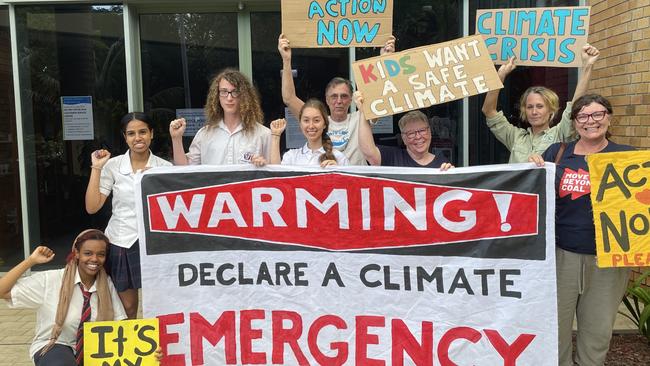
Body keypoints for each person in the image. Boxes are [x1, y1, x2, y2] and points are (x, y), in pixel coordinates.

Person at [529, 94, 634, 366]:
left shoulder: (627, 157)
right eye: (583, 116)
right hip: (561, 256)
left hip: (607, 260)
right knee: (555, 329)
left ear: (609, 117)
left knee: (597, 332)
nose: (591, 121)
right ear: (575, 123)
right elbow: (535, 195)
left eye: (598, 114)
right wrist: (532, 169)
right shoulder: (558, 153)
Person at [85, 112, 171, 319]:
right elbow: (92, 207)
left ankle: (160, 350)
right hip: (122, 241)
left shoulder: (165, 168)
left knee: (160, 306)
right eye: (131, 133)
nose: (137, 138)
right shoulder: (113, 166)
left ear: (151, 134)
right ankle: (132, 351)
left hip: (155, 243)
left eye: (142, 132)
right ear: (125, 137)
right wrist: (97, 168)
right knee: (128, 308)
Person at [0, 229, 127, 365]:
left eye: (101, 254)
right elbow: (2, 291)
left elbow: (120, 324)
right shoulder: (51, 280)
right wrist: (31, 261)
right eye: (88, 253)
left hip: (96, 350)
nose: (94, 259)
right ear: (77, 253)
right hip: (55, 345)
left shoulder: (106, 284)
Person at [278, 33, 395, 165]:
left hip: (356, 183)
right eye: (334, 96)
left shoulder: (361, 117)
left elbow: (379, 96)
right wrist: (286, 60)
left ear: (351, 99)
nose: (339, 101)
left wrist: (384, 60)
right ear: (326, 100)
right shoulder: (318, 121)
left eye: (344, 96)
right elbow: (289, 98)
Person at [481, 44, 600, 163]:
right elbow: (489, 111)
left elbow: (575, 107)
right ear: (524, 111)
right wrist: (500, 76)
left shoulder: (560, 134)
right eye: (529, 107)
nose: (534, 112)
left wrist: (588, 65)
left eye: (540, 106)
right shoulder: (515, 137)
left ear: (551, 110)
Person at [170, 68, 271, 166]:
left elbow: (275, 174)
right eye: (223, 92)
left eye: (235, 92)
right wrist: (176, 139)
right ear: (216, 96)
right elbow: (184, 171)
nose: (229, 98)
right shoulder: (205, 134)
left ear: (244, 96)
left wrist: (264, 165)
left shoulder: (263, 134)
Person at [356, 92, 452, 169]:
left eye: (422, 130)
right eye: (411, 133)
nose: (418, 137)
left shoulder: (442, 163)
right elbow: (368, 152)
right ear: (403, 138)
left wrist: (452, 176)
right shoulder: (392, 157)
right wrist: (364, 113)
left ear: (430, 132)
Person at [269, 99, 348, 167]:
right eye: (306, 120)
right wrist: (276, 135)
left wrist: (337, 172)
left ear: (324, 124)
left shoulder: (339, 158)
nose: (311, 126)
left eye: (316, 120)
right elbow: (276, 177)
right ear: (300, 124)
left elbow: (349, 183)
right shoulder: (291, 157)